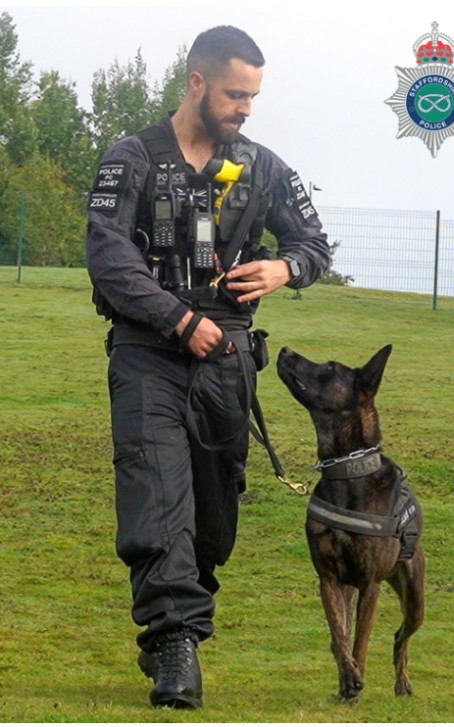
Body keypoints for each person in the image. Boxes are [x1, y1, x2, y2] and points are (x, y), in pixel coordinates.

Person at [86, 26, 329, 709]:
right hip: (148, 352)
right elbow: (108, 257)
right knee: (157, 494)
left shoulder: (262, 166)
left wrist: (285, 266)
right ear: (196, 82)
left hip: (227, 357)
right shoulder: (130, 159)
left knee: (214, 517)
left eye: (253, 95)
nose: (246, 107)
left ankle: (188, 611)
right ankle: (175, 642)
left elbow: (315, 242)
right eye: (234, 93)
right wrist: (178, 319)